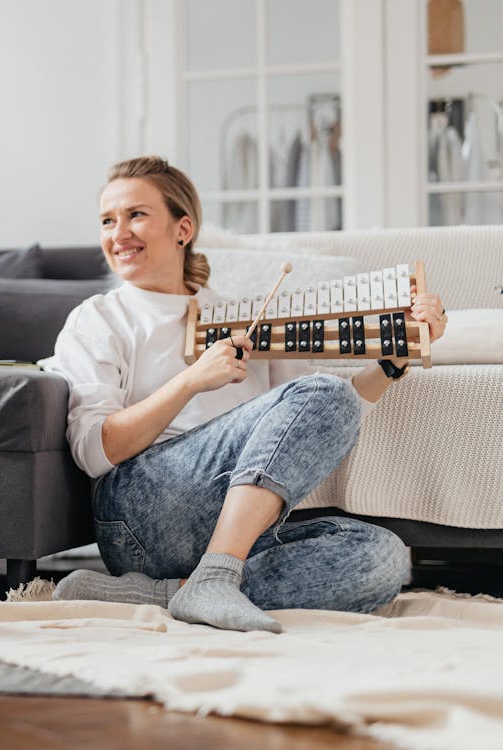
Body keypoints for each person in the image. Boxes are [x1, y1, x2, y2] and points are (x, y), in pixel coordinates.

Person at [42, 156, 447, 633]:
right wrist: (191, 380)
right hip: (138, 515)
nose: (118, 233)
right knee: (321, 392)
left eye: (136, 215)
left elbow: (319, 420)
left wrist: (395, 357)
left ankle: (179, 589)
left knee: (383, 558)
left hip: (234, 528)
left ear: (183, 228)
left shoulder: (244, 318)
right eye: (108, 220)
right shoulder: (99, 318)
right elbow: (94, 452)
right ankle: (211, 577)